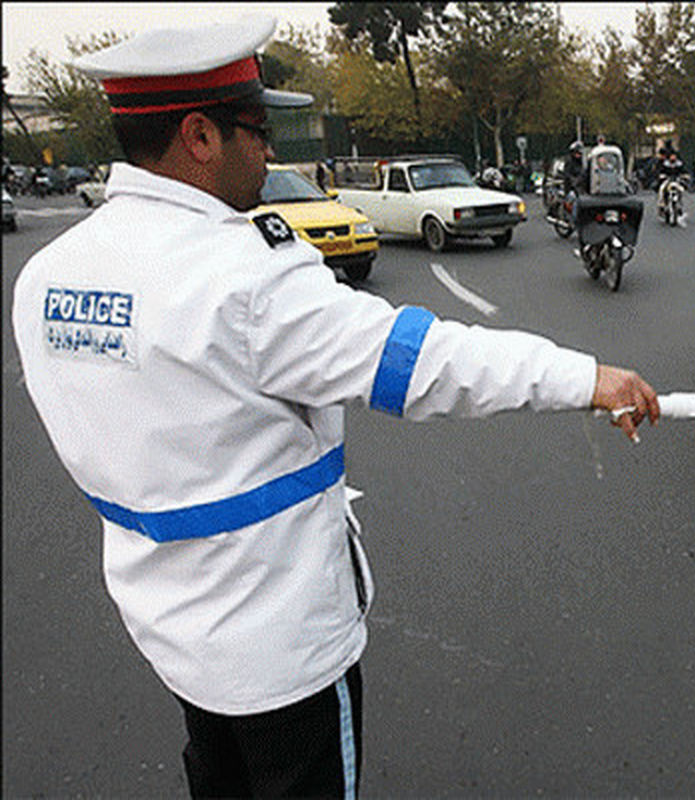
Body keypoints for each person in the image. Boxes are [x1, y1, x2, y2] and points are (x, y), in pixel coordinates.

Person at [11, 16, 659, 799]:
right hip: (282, 650)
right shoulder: (243, 280)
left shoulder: (48, 278)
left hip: (170, 632)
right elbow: (425, 364)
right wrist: (590, 377)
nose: (271, 150)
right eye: (257, 129)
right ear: (199, 136)